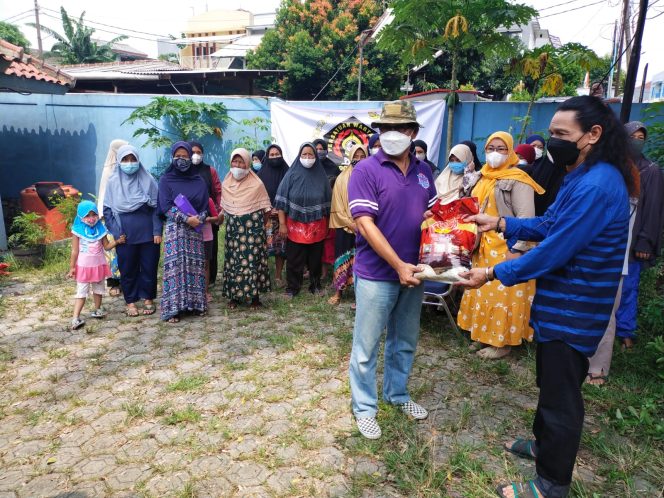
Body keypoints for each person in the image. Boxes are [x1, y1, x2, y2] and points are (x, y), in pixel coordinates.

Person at [457, 95, 634, 498]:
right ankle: (543, 446)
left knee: (561, 397)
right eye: (551, 132)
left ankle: (552, 483)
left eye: (560, 134)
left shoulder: (597, 185)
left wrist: (490, 273)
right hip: (560, 304)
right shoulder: (583, 175)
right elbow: (550, 221)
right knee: (550, 384)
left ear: (593, 134)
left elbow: (555, 249)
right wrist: (500, 221)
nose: (552, 141)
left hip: (575, 306)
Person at [348, 100, 437, 440]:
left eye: (398, 129)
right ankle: (365, 408)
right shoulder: (366, 170)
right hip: (376, 274)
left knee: (405, 340)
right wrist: (397, 265)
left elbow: (429, 215)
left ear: (412, 133)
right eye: (384, 129)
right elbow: (365, 224)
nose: (390, 135)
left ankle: (397, 394)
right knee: (366, 347)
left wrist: (443, 232)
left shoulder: (424, 172)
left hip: (415, 272)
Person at [457, 131, 544, 360]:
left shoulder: (519, 179)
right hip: (481, 246)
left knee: (503, 295)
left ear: (511, 151)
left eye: (501, 148)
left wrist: (518, 250)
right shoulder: (481, 176)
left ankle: (501, 342)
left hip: (507, 247)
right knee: (482, 293)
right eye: (490, 148)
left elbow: (527, 219)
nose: (495, 153)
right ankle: (483, 335)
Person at [614, 121, 664, 349]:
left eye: (641, 138)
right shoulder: (614, 166)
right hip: (611, 237)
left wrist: (645, 240)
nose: (636, 141)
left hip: (633, 241)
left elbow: (653, 209)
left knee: (628, 287)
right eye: (632, 136)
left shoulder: (650, 170)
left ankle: (625, 333)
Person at [102, 144, 162, 317]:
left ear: (138, 160)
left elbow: (157, 208)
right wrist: (115, 232)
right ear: (119, 162)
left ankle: (148, 298)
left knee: (149, 267)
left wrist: (157, 231)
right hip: (124, 236)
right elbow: (107, 211)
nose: (129, 163)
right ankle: (130, 301)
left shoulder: (148, 180)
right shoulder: (113, 182)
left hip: (148, 233)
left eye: (132, 159)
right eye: (125, 160)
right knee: (128, 269)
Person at [158, 141, 209, 323]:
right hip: (176, 231)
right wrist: (186, 219)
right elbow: (164, 206)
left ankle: (195, 304)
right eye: (178, 156)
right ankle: (174, 309)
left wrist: (199, 218)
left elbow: (204, 206)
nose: (181, 160)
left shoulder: (199, 180)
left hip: (195, 230)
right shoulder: (165, 180)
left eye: (185, 156)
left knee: (195, 267)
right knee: (176, 268)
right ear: (172, 158)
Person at [275, 143, 332, 297]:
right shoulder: (291, 175)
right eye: (304, 155)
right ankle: (292, 288)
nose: (307, 158)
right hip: (295, 225)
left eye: (311, 155)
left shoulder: (321, 177)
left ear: (315, 157)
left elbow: (328, 204)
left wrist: (327, 226)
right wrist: (282, 224)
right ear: (299, 156)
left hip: (317, 225)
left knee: (315, 258)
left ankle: (315, 286)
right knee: (294, 258)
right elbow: (281, 202)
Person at [220, 148, 272, 309]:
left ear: (247, 163)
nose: (237, 165)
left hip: (252, 231)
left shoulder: (257, 184)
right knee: (234, 261)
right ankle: (235, 296)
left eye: (241, 161)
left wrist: (258, 227)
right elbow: (225, 208)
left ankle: (254, 297)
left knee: (252, 260)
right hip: (233, 231)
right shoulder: (226, 183)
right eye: (234, 162)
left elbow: (266, 210)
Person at [68, 200, 125, 330]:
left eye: (94, 215)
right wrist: (72, 267)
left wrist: (117, 241)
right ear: (80, 216)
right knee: (81, 292)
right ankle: (75, 318)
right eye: (87, 216)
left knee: (98, 289)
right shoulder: (77, 230)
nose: (91, 219)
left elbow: (106, 246)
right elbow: (74, 251)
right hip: (83, 267)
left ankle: (98, 309)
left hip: (99, 265)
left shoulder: (101, 229)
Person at [328, 143, 367, 306]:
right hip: (346, 227)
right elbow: (337, 206)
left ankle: (361, 297)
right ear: (350, 158)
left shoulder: (371, 177)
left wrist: (363, 223)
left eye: (362, 156)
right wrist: (351, 224)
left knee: (363, 261)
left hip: (366, 226)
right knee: (342, 260)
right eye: (355, 157)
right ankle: (338, 293)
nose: (358, 160)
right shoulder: (341, 178)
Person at [189, 141, 223, 289]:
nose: (195, 155)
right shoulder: (184, 170)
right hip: (189, 217)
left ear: (202, 154)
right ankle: (194, 280)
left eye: (198, 152)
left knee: (210, 249)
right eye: (192, 152)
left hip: (209, 217)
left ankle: (210, 279)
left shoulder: (210, 171)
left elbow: (218, 192)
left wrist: (219, 210)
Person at [97, 139, 128, 297]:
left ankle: (127, 280)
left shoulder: (128, 166)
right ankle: (115, 282)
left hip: (126, 215)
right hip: (110, 216)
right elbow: (104, 194)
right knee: (113, 251)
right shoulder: (109, 170)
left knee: (126, 246)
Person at [257, 144, 290, 286]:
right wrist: (268, 208)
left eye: (278, 154)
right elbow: (256, 195)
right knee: (263, 246)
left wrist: (282, 208)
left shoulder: (288, 173)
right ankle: (263, 275)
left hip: (284, 218)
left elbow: (292, 193)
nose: (275, 157)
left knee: (280, 248)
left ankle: (278, 276)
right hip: (266, 216)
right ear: (267, 156)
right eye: (272, 154)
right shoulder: (260, 175)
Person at [313, 138, 340, 280]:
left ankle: (333, 272)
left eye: (321, 148)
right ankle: (317, 270)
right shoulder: (309, 167)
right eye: (315, 149)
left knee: (331, 244)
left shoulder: (333, 167)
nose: (318, 152)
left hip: (334, 213)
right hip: (317, 212)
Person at [526, 134, 566, 216]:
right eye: (533, 145)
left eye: (540, 147)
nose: (536, 149)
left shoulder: (548, 164)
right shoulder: (518, 163)